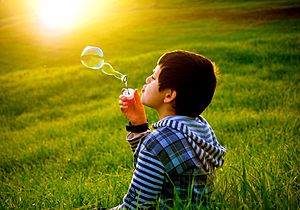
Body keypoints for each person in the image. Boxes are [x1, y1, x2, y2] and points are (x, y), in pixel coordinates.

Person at [114, 50, 226, 209]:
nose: (147, 79)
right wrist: (139, 124)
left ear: (169, 95)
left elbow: (136, 206)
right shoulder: (201, 128)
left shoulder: (157, 143)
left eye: (154, 77)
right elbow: (161, 160)